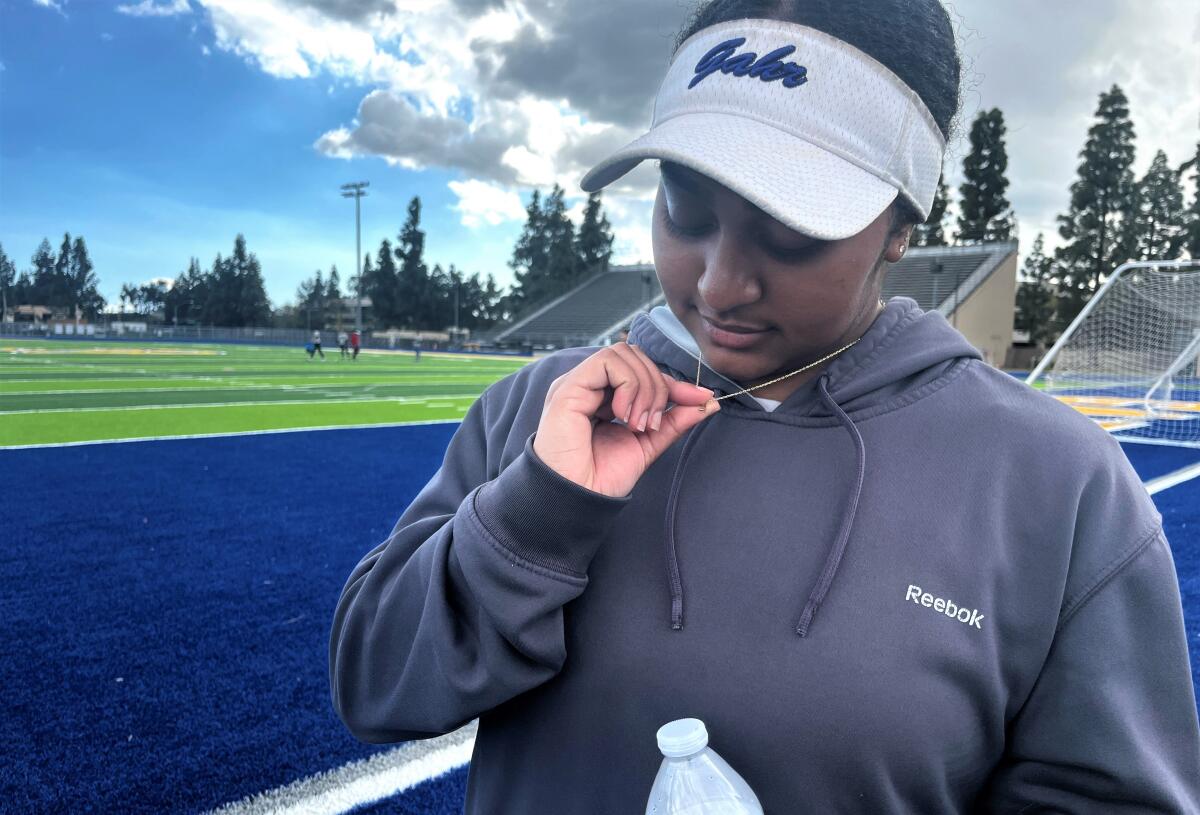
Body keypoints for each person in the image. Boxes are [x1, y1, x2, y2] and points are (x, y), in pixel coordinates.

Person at [329, 1, 1200, 812]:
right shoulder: (542, 408)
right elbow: (373, 684)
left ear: (903, 226)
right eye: (685, 207)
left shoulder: (1058, 481)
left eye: (791, 232)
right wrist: (535, 515)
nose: (720, 283)